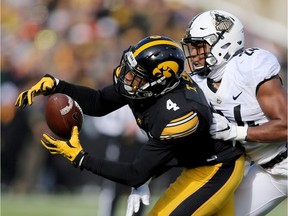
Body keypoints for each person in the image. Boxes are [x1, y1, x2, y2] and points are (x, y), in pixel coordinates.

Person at [15, 35, 245, 215]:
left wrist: (80, 158)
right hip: (194, 164)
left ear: (160, 81)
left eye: (136, 76)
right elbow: (98, 102)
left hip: (215, 169)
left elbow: (135, 173)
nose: (126, 78)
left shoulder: (180, 114)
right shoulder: (148, 86)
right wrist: (57, 85)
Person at [126, 10, 287, 216]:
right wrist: (145, 176)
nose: (194, 53)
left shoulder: (250, 66)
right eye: (192, 47)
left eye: (200, 46)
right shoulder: (197, 85)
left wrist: (234, 132)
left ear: (225, 42)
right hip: (263, 169)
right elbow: (177, 141)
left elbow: (285, 125)